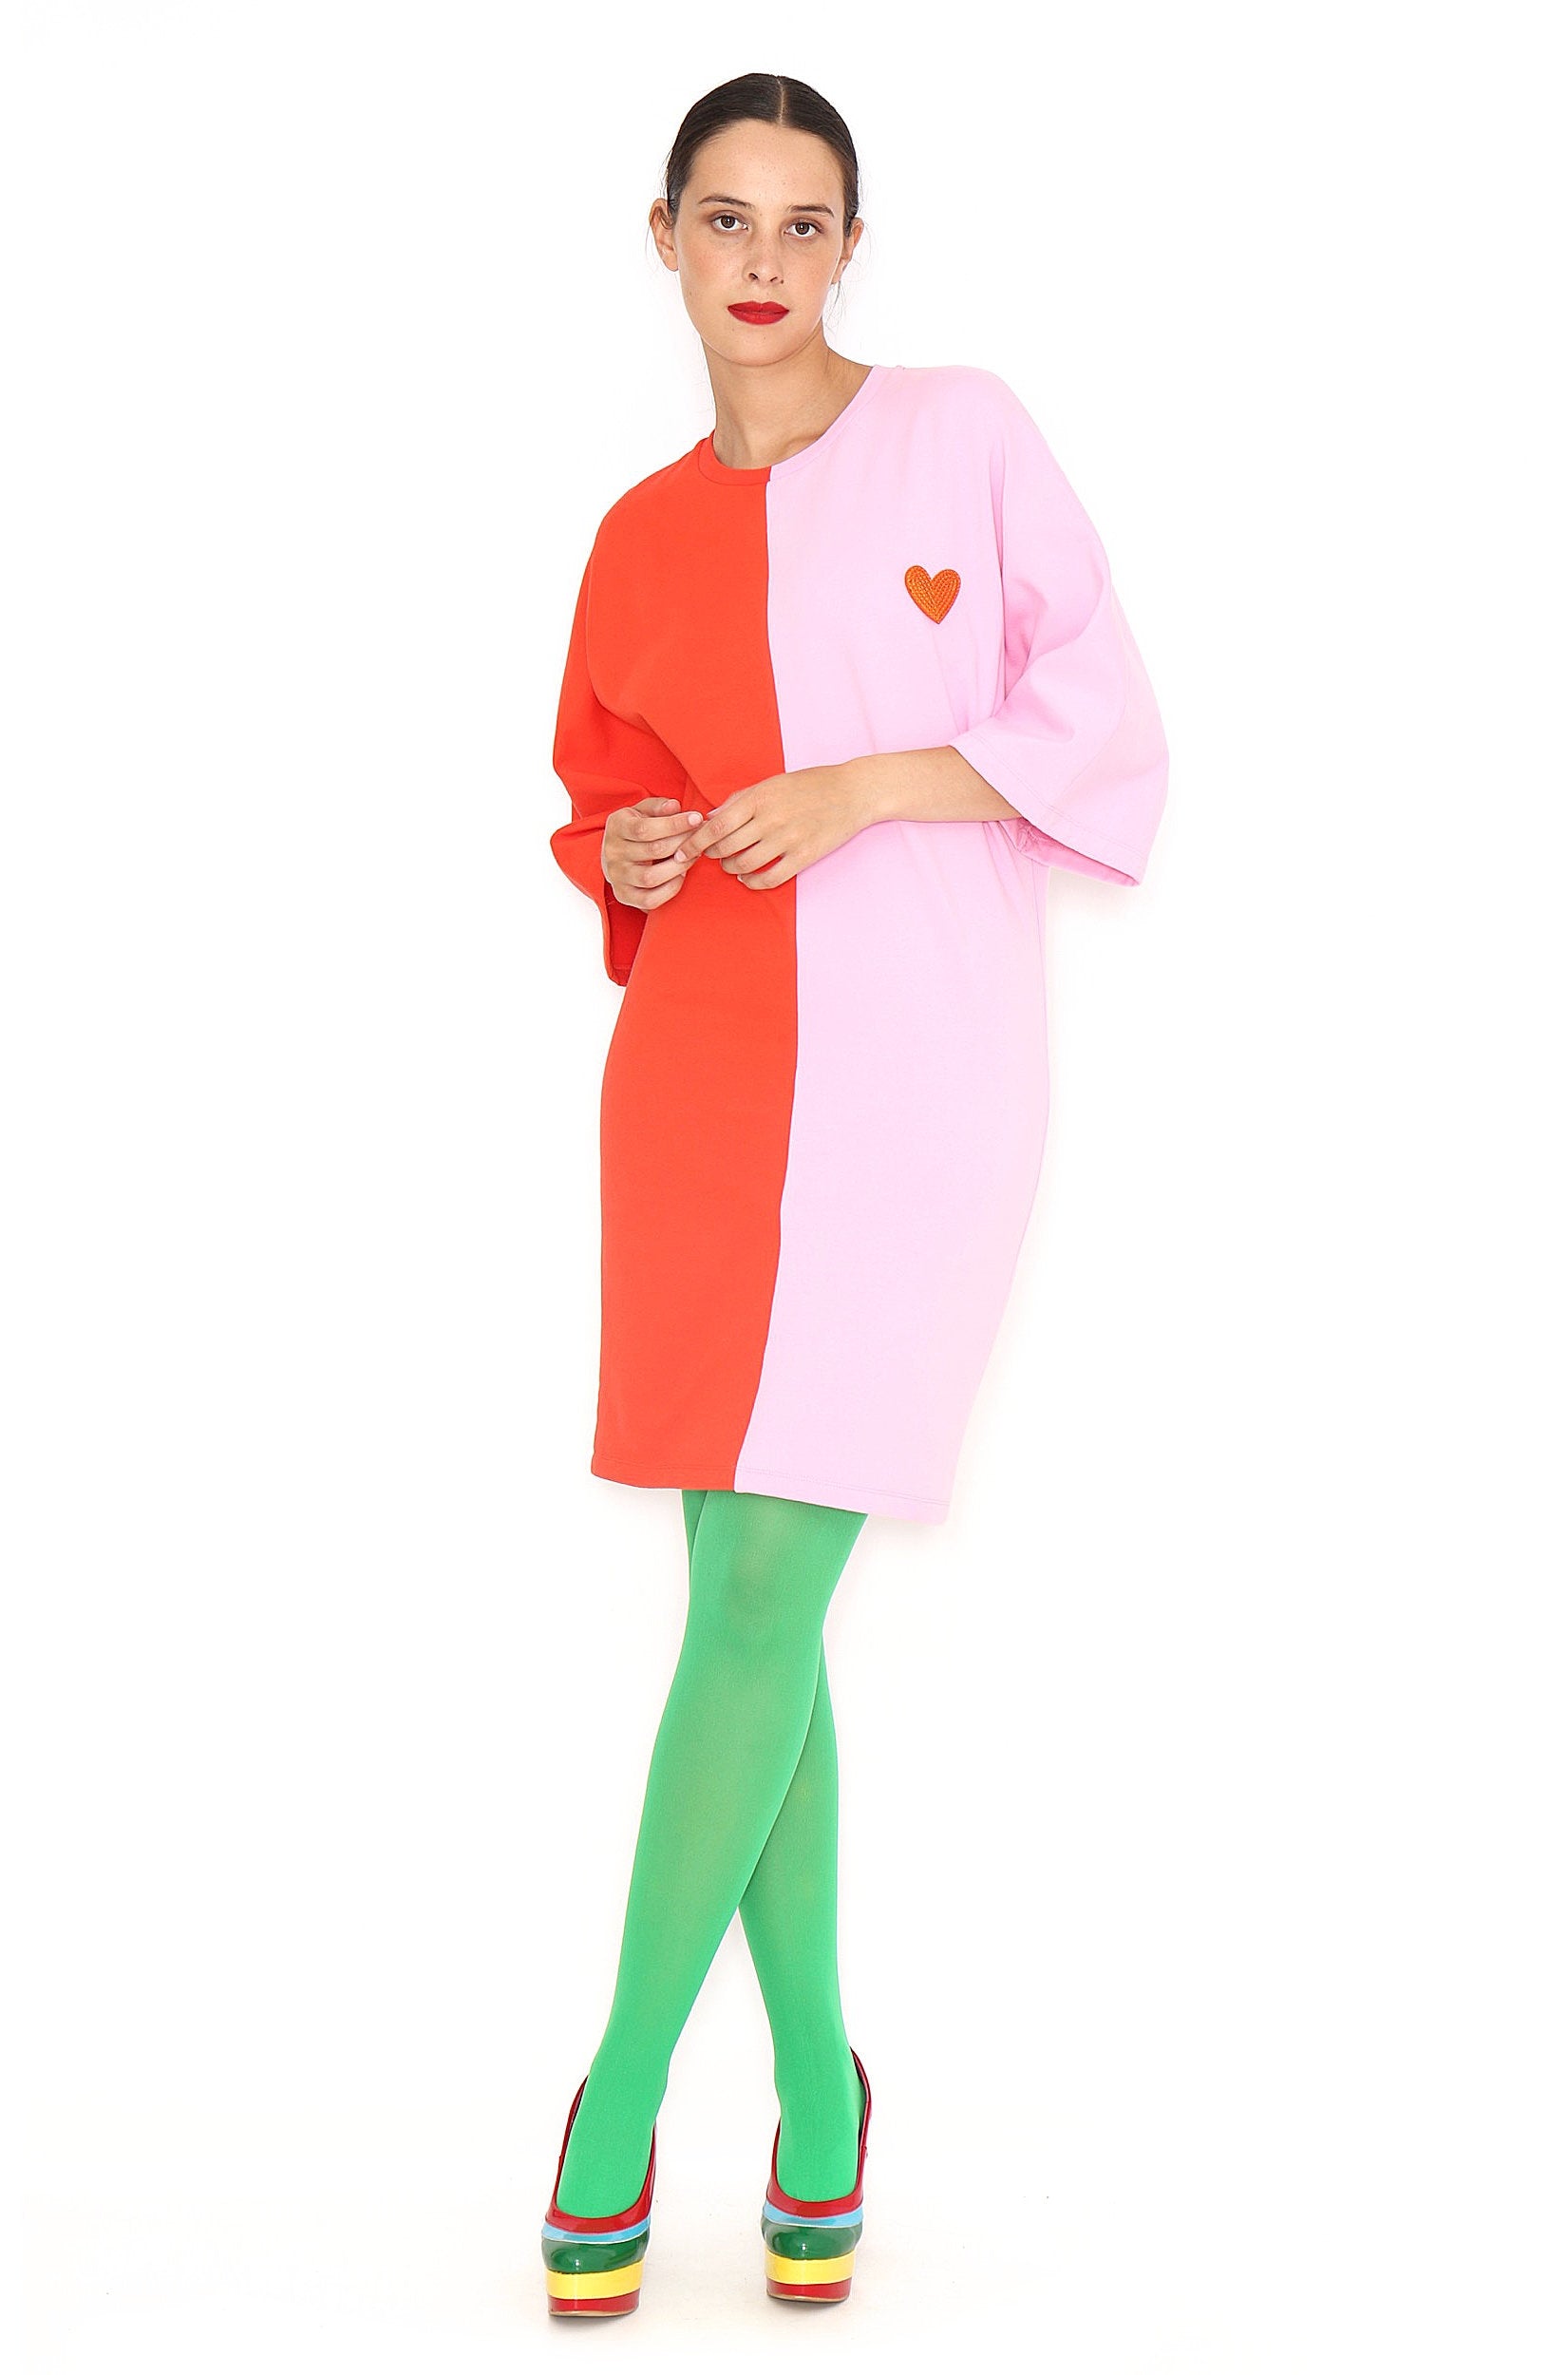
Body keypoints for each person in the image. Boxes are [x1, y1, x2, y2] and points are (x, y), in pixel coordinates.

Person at [538, 72, 1169, 2318]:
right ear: (664, 236)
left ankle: (616, 2090)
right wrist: (629, 846)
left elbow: (1101, 714)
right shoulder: (634, 529)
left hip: (915, 1077)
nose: (763, 262)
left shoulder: (959, 435)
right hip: (703, 1075)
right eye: (725, 218)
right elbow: (605, 792)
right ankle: (818, 2085)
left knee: (754, 1592)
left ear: (850, 246)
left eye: (803, 223)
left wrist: (868, 782)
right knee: (750, 1603)